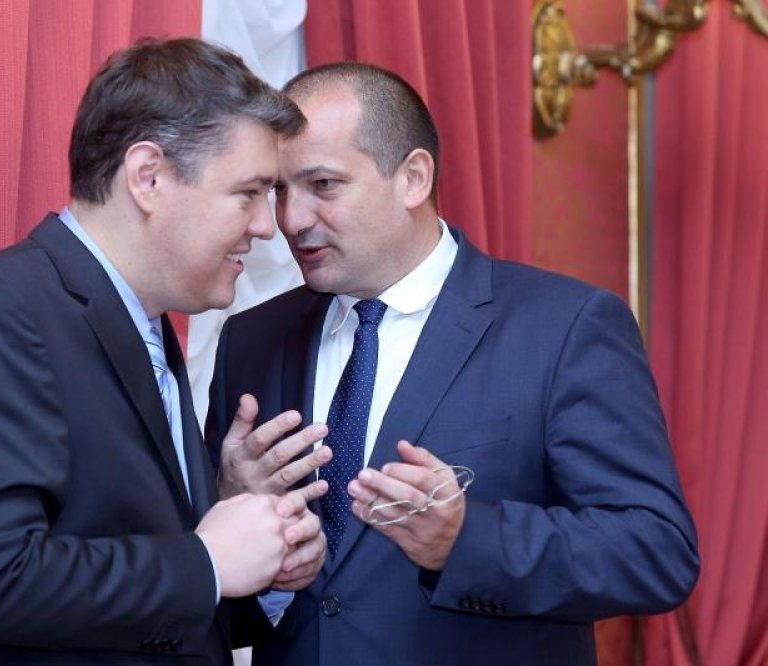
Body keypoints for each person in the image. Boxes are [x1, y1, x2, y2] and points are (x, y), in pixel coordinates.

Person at [205, 62, 700, 665]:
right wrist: (237, 520)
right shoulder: (251, 340)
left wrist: (467, 542)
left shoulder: (565, 327)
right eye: (281, 191)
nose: (291, 220)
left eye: (324, 185)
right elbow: (211, 600)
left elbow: (655, 552)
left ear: (413, 178)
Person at [0, 38, 329, 665]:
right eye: (248, 192)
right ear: (148, 177)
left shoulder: (145, 324)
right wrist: (207, 560)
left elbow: (145, 604)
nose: (267, 225)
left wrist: (263, 572)